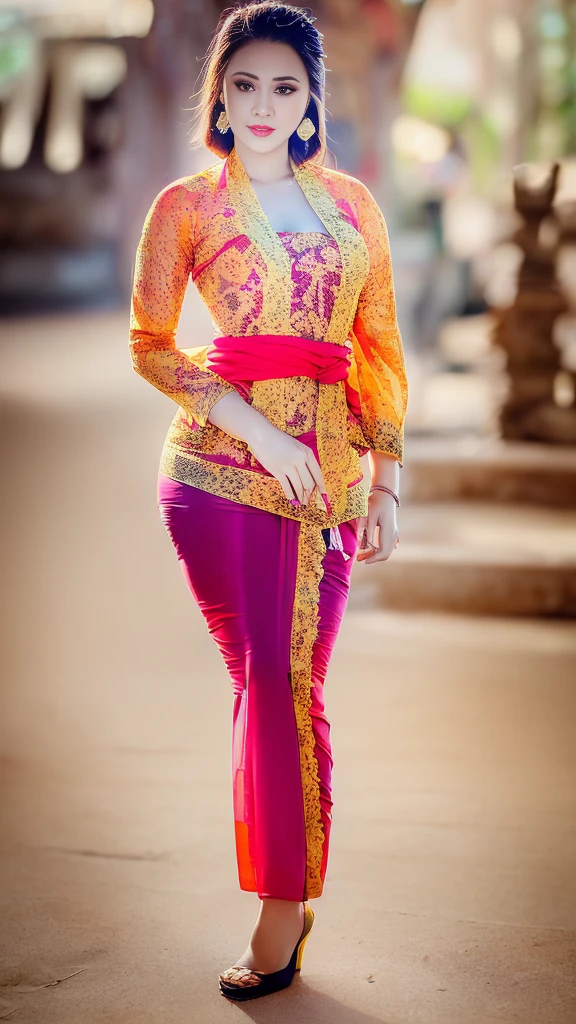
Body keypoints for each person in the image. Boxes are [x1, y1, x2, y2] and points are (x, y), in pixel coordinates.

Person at [129, 0, 407, 1002]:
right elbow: (152, 341)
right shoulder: (187, 209)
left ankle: (287, 879)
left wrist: (384, 474)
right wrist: (257, 429)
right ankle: (283, 908)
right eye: (242, 83)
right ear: (219, 94)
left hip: (328, 478)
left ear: (309, 104)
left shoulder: (354, 211)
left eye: (282, 87)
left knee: (291, 684)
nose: (260, 104)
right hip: (216, 469)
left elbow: (375, 348)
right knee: (277, 678)